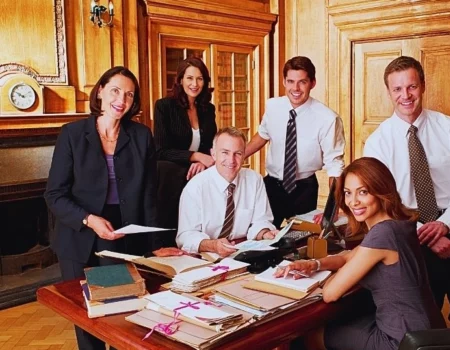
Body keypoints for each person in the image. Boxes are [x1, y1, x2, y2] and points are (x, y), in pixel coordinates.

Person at [44, 66, 183, 350]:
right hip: (78, 235)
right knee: (86, 318)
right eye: (115, 91)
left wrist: (154, 243)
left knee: (119, 312)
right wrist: (88, 218)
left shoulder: (141, 135)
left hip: (121, 235)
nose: (122, 99)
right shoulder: (72, 134)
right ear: (100, 92)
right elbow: (54, 194)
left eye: (129, 94)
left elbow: (148, 195)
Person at [363, 56, 450, 327]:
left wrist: (444, 225)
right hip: (406, 234)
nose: (405, 95)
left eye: (412, 87)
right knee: (425, 321)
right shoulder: (377, 143)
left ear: (423, 86)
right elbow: (383, 201)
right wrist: (427, 235)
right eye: (397, 89)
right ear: (389, 92)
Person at [275, 157, 446, 350]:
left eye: (363, 192)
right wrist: (314, 265)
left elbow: (330, 294)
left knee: (305, 334)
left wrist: (326, 279)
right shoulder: (399, 224)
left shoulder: (383, 233)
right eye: (348, 193)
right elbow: (349, 256)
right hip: (427, 333)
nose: (353, 202)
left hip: (399, 341)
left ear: (382, 190)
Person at [245, 56, 345, 228]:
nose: (295, 88)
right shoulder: (273, 106)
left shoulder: (328, 118)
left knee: (299, 239)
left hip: (304, 190)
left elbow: (335, 168)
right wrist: (238, 155)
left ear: (312, 83)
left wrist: (333, 208)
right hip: (271, 187)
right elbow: (262, 135)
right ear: (284, 81)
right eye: (290, 81)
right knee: (261, 233)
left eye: (302, 82)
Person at [176, 127, 277, 257]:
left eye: (238, 154)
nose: (231, 160)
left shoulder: (254, 180)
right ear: (213, 154)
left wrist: (264, 232)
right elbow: (185, 236)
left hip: (243, 252)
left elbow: (261, 220)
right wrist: (212, 245)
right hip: (206, 256)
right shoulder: (196, 187)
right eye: (225, 152)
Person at [153, 57, 217, 243]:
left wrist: (202, 161)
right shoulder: (164, 106)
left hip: (200, 172)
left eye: (200, 79)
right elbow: (160, 151)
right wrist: (195, 156)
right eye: (189, 78)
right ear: (180, 80)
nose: (194, 84)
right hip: (170, 176)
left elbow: (209, 144)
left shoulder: (208, 109)